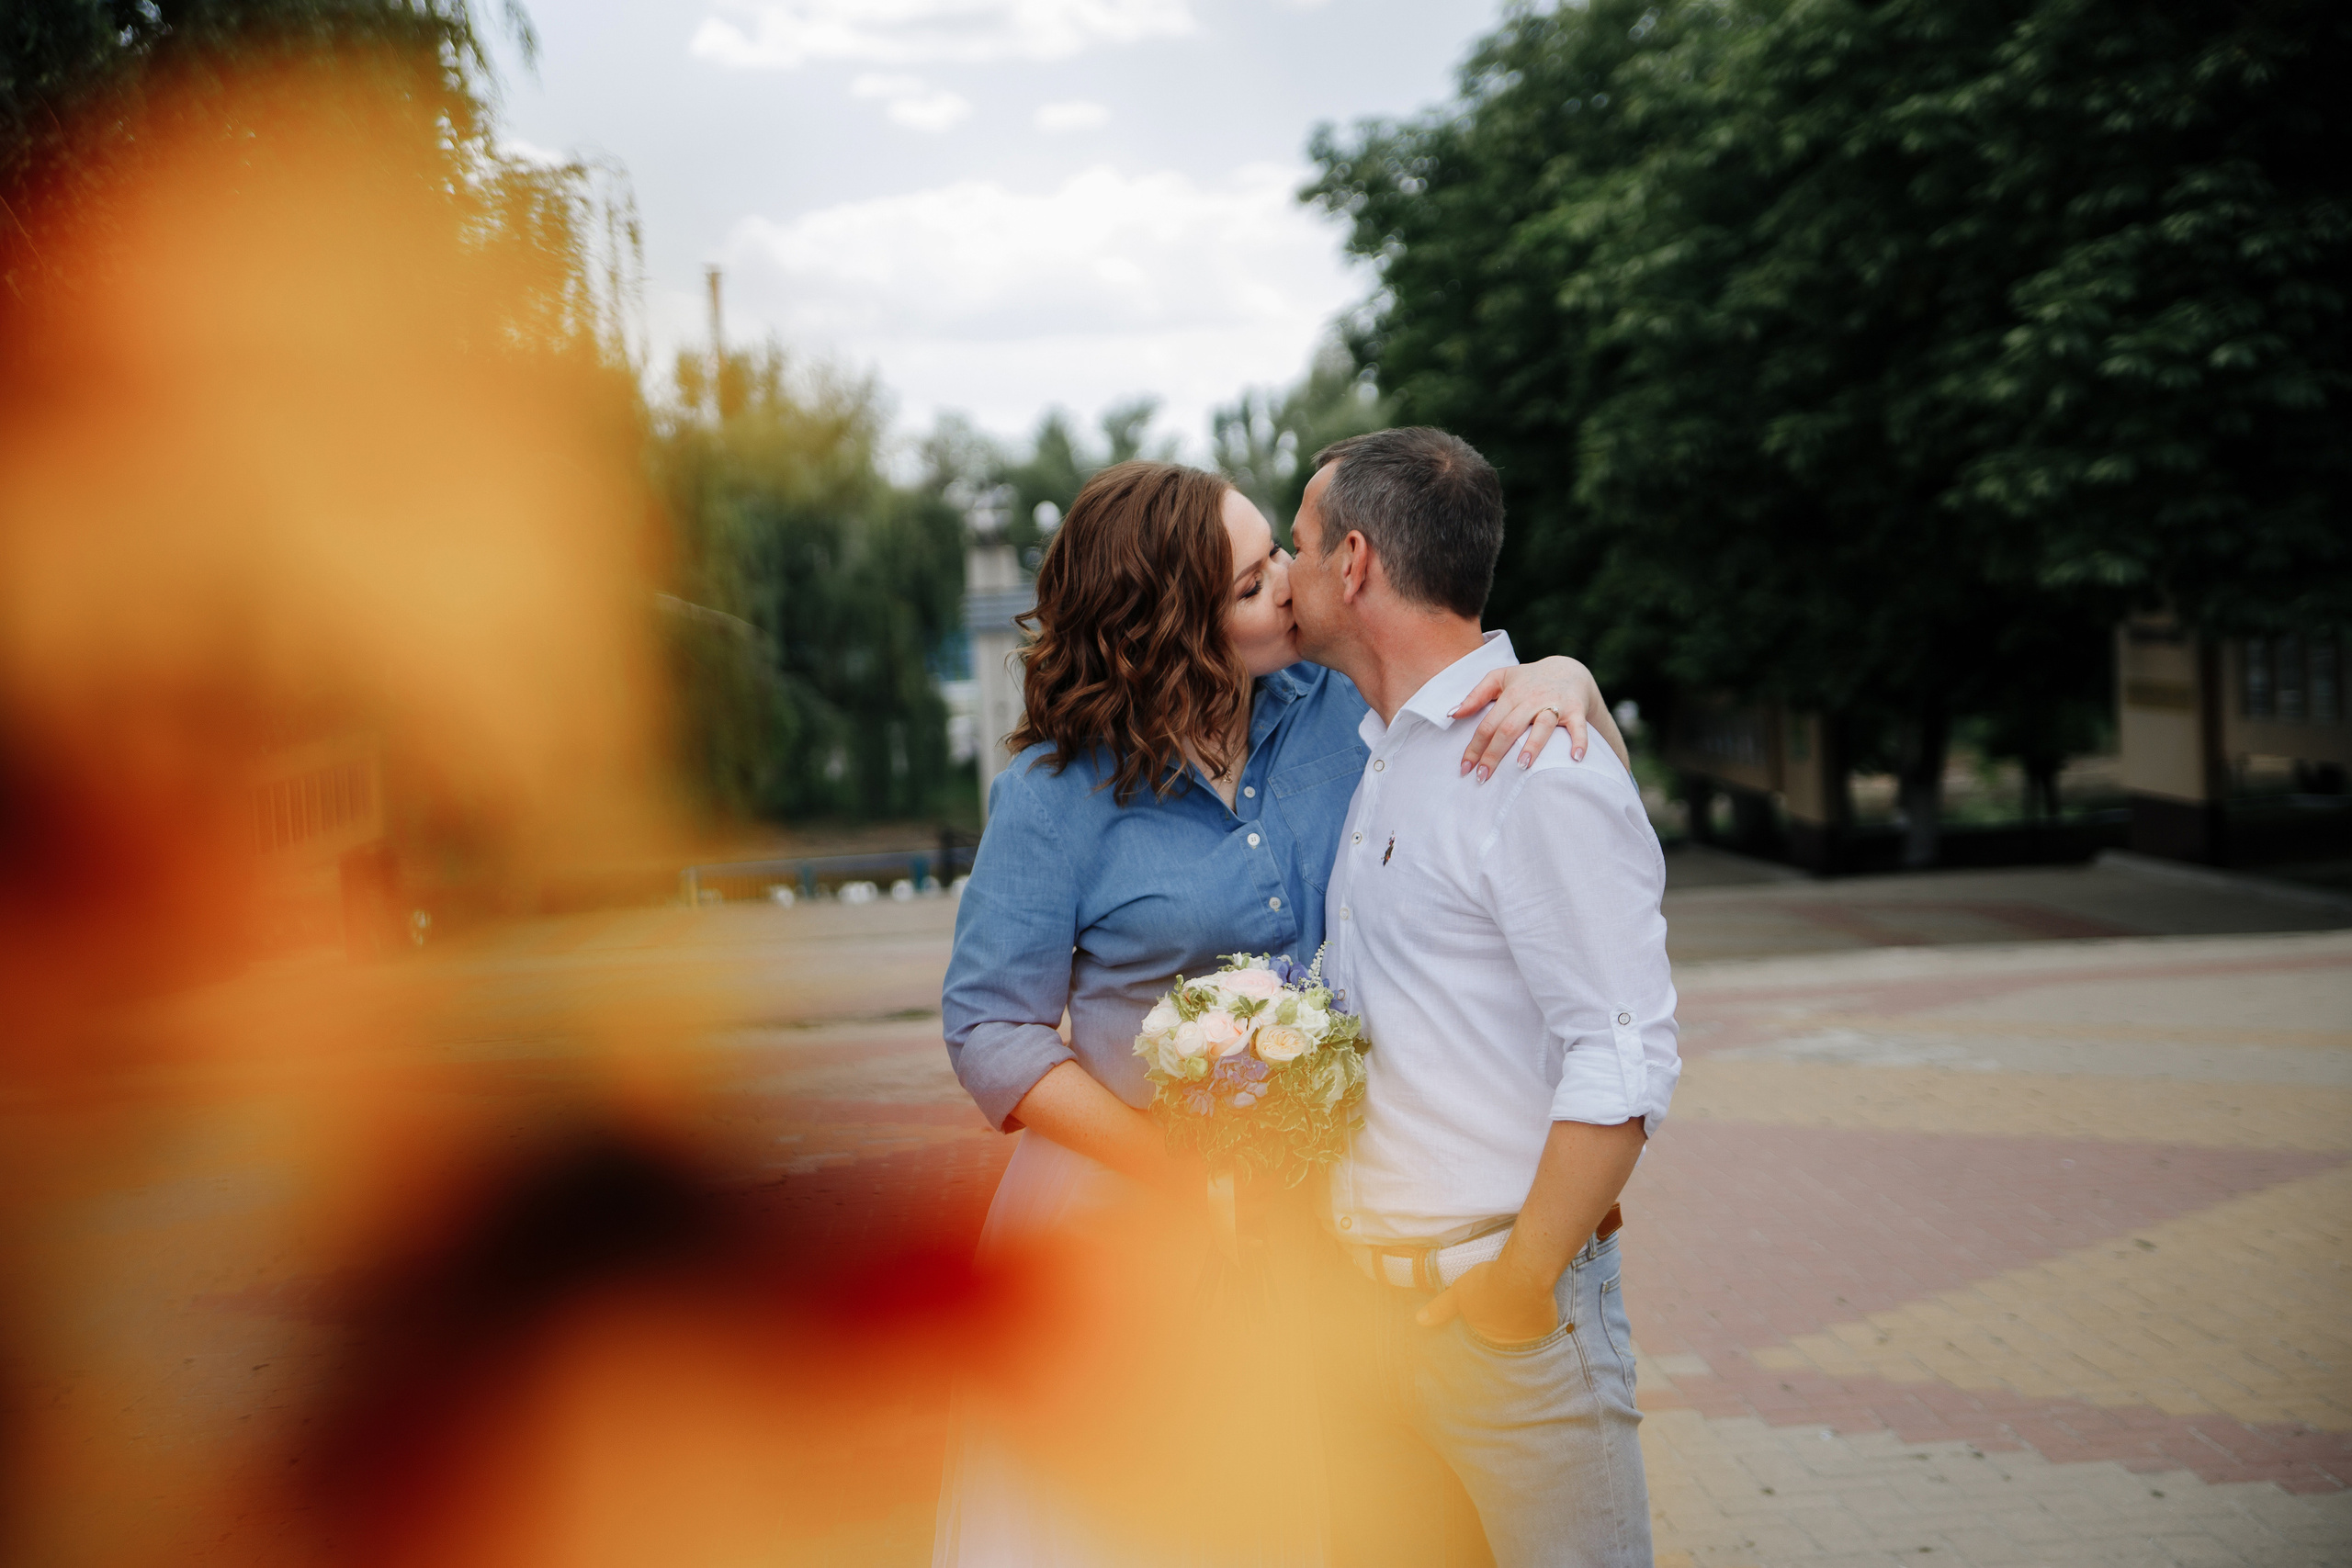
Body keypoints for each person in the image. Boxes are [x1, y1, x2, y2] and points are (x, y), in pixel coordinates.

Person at [933, 459, 1627, 1567]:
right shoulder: (1052, 793)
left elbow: (1470, 691)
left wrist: (1565, 674)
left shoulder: (1341, 712)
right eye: (1255, 580)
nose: (1291, 588)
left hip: (1335, 1215)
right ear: (1170, 626)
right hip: (1135, 1219)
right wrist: (1176, 1170)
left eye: (1280, 557)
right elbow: (989, 1029)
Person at [1287, 428, 1679, 1568]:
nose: (1288, 577)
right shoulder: (1387, 753)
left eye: (1300, 547)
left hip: (1505, 1328)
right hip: (1371, 1324)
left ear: (1353, 563)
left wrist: (1517, 1289)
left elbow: (1623, 1055)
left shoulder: (1534, 763)